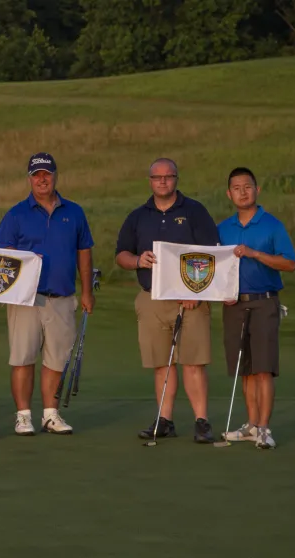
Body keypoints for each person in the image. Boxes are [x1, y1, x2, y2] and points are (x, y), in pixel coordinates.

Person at [114, 158, 220, 443]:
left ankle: (201, 421)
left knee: (194, 363)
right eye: (157, 177)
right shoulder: (138, 216)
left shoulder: (195, 211)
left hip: (190, 299)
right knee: (163, 363)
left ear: (176, 179)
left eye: (168, 176)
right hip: (153, 298)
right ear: (149, 181)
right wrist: (138, 260)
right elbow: (121, 254)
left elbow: (212, 253)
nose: (163, 181)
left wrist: (196, 292)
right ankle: (165, 420)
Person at [0, 153, 95, 435]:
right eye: (36, 175)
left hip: (63, 296)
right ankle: (23, 415)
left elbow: (84, 252)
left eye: (47, 174)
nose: (42, 179)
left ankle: (51, 415)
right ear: (29, 178)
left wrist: (87, 291)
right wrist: (26, 257)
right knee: (23, 358)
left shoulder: (74, 212)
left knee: (57, 359)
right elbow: (2, 254)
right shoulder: (16, 214)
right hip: (25, 299)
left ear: (55, 176)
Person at [218, 167, 295, 450]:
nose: (242, 191)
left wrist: (255, 254)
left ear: (257, 190)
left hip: (264, 302)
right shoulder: (223, 228)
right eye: (236, 187)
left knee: (264, 369)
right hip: (234, 305)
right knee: (247, 369)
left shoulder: (272, 225)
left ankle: (264, 428)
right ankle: (251, 425)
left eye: (247, 186)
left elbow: (289, 263)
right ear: (229, 194)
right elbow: (215, 268)